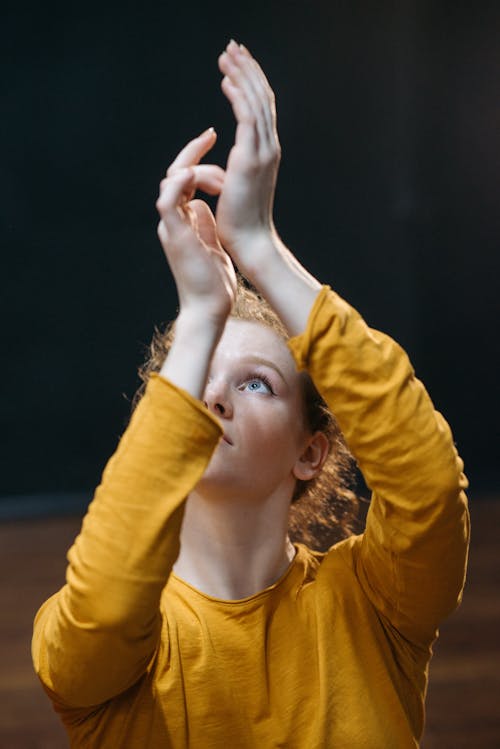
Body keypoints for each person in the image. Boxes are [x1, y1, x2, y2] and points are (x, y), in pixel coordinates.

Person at [32, 40, 470, 748]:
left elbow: (428, 487)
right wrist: (201, 313)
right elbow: (108, 609)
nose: (213, 400)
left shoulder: (375, 604)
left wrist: (259, 247)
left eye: (256, 382)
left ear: (310, 452)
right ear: (161, 422)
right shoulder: (105, 644)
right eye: (196, 374)